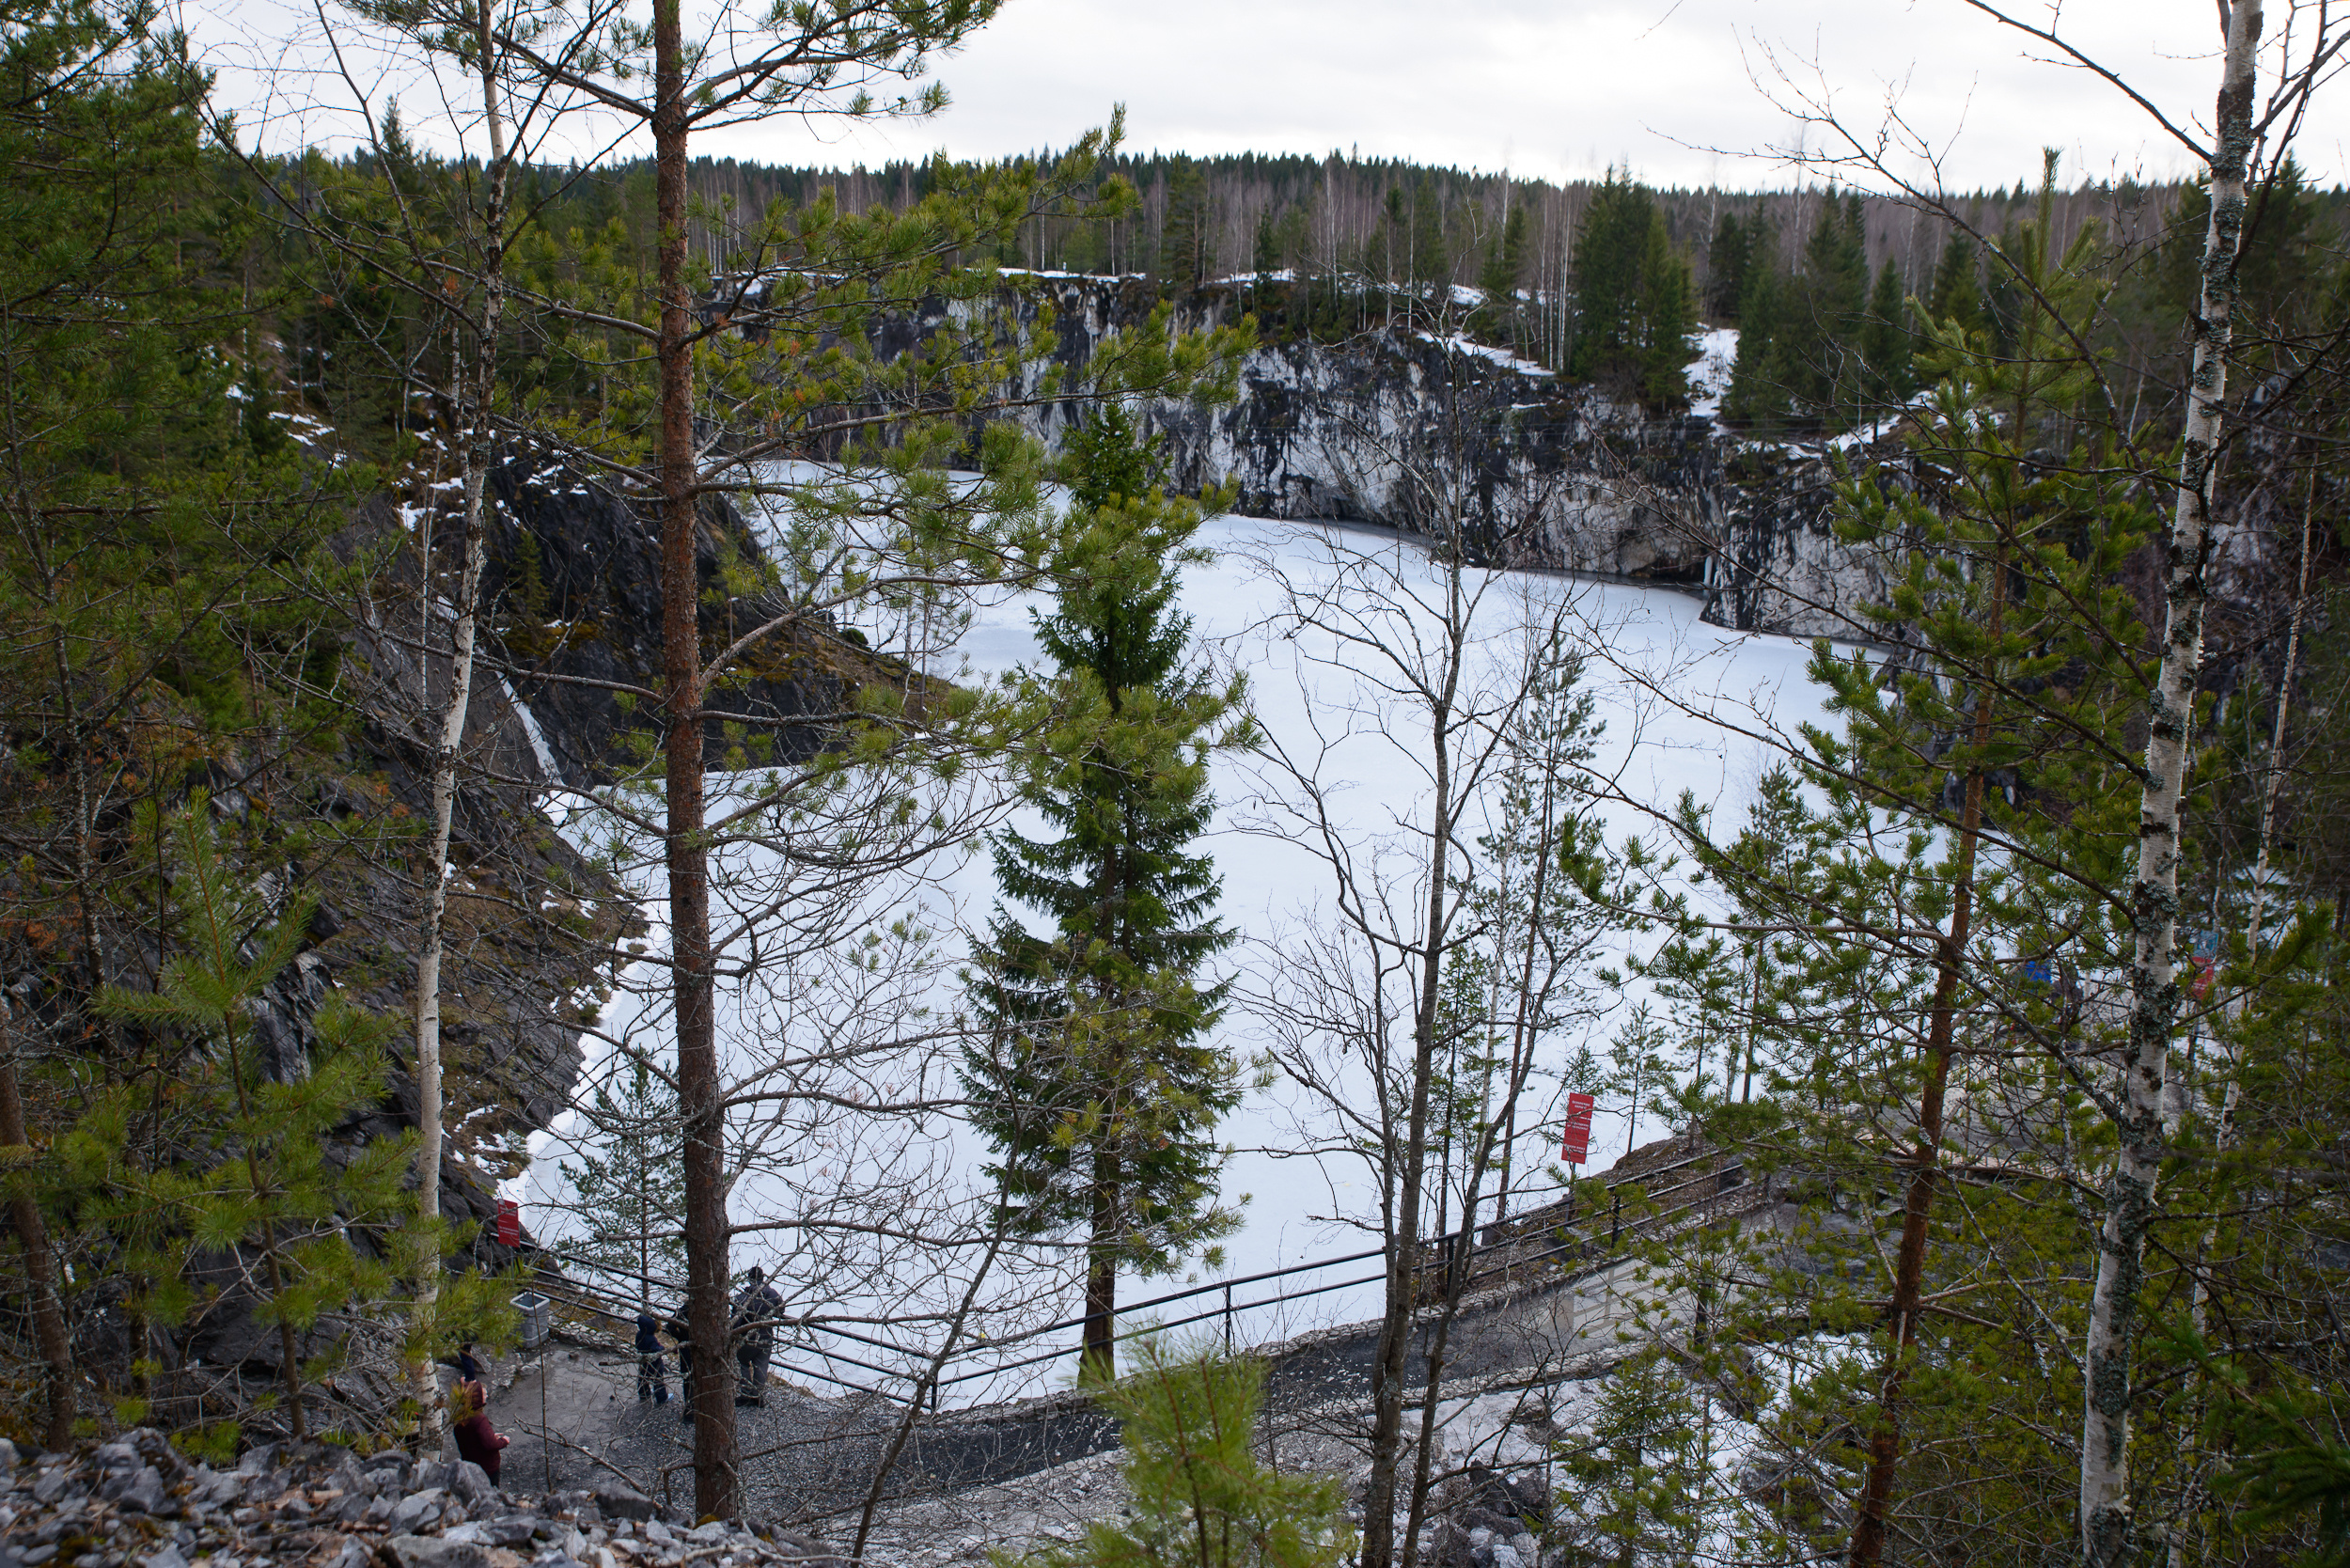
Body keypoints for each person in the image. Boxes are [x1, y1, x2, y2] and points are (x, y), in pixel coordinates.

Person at [730, 1266, 782, 1409]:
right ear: (763, 1278)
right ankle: (758, 1396)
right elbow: (781, 1309)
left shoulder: (743, 1296)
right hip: (766, 1336)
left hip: (747, 1337)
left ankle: (745, 1394)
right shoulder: (772, 1294)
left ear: (749, 1278)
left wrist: (734, 1334)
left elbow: (735, 1317)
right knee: (761, 1366)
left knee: (742, 1363)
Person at [450, 1380, 509, 1488]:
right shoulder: (479, 1419)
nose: (486, 1397)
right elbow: (491, 1445)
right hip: (487, 1469)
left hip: (470, 1466)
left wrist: (490, 1436)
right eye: (484, 1394)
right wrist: (503, 1441)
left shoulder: (460, 1416)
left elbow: (471, 1439)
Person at [634, 1312, 670, 1405]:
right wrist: (661, 1348)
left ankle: (644, 1394)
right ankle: (662, 1398)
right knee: (658, 1380)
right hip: (655, 1362)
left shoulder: (639, 1334)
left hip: (644, 1360)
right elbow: (655, 1350)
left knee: (643, 1377)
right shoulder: (651, 1339)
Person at [666, 1308, 695, 1424]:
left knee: (688, 1380)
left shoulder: (683, 1310)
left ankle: (689, 1412)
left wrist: (680, 1337)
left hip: (686, 1349)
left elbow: (669, 1328)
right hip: (703, 1349)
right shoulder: (706, 1309)